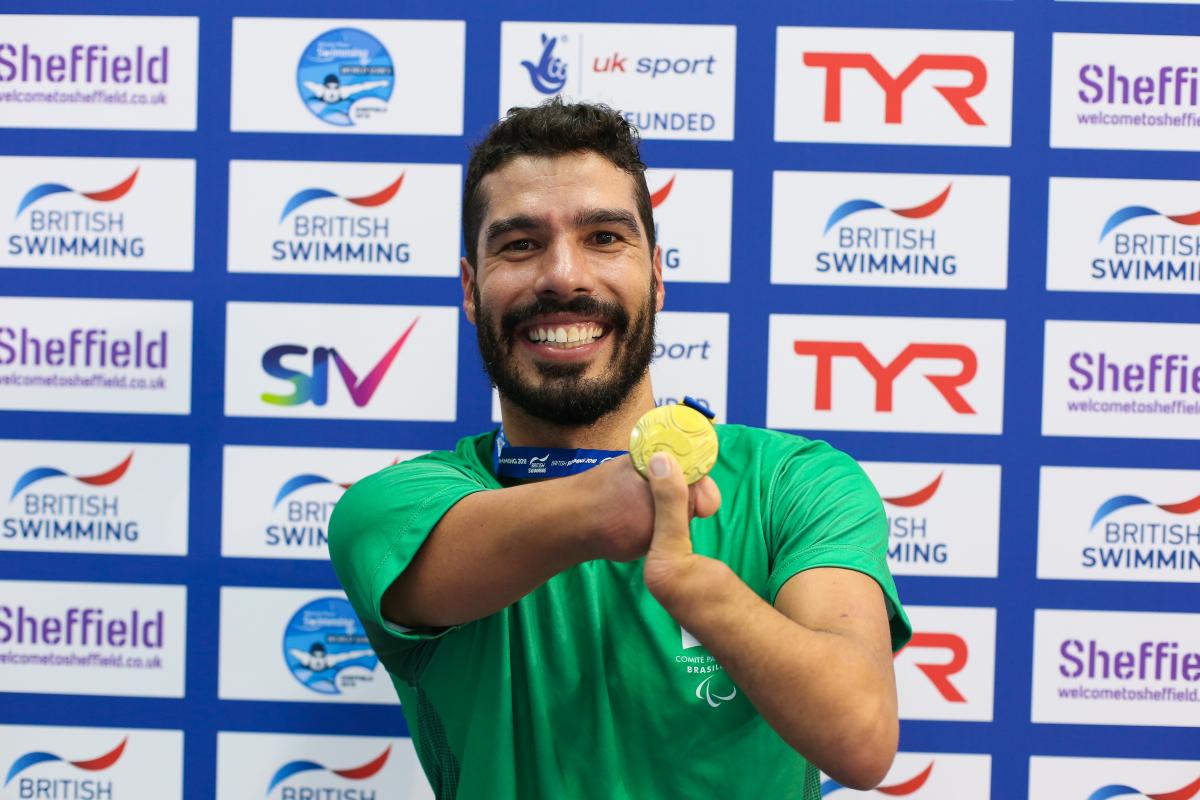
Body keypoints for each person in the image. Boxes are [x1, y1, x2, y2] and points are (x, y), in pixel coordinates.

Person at [328, 98, 911, 800]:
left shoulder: (796, 484)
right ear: (470, 291)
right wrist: (619, 500)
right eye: (520, 244)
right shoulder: (394, 510)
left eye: (604, 237)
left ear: (657, 277)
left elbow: (862, 738)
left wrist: (701, 589)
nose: (563, 276)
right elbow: (573, 520)